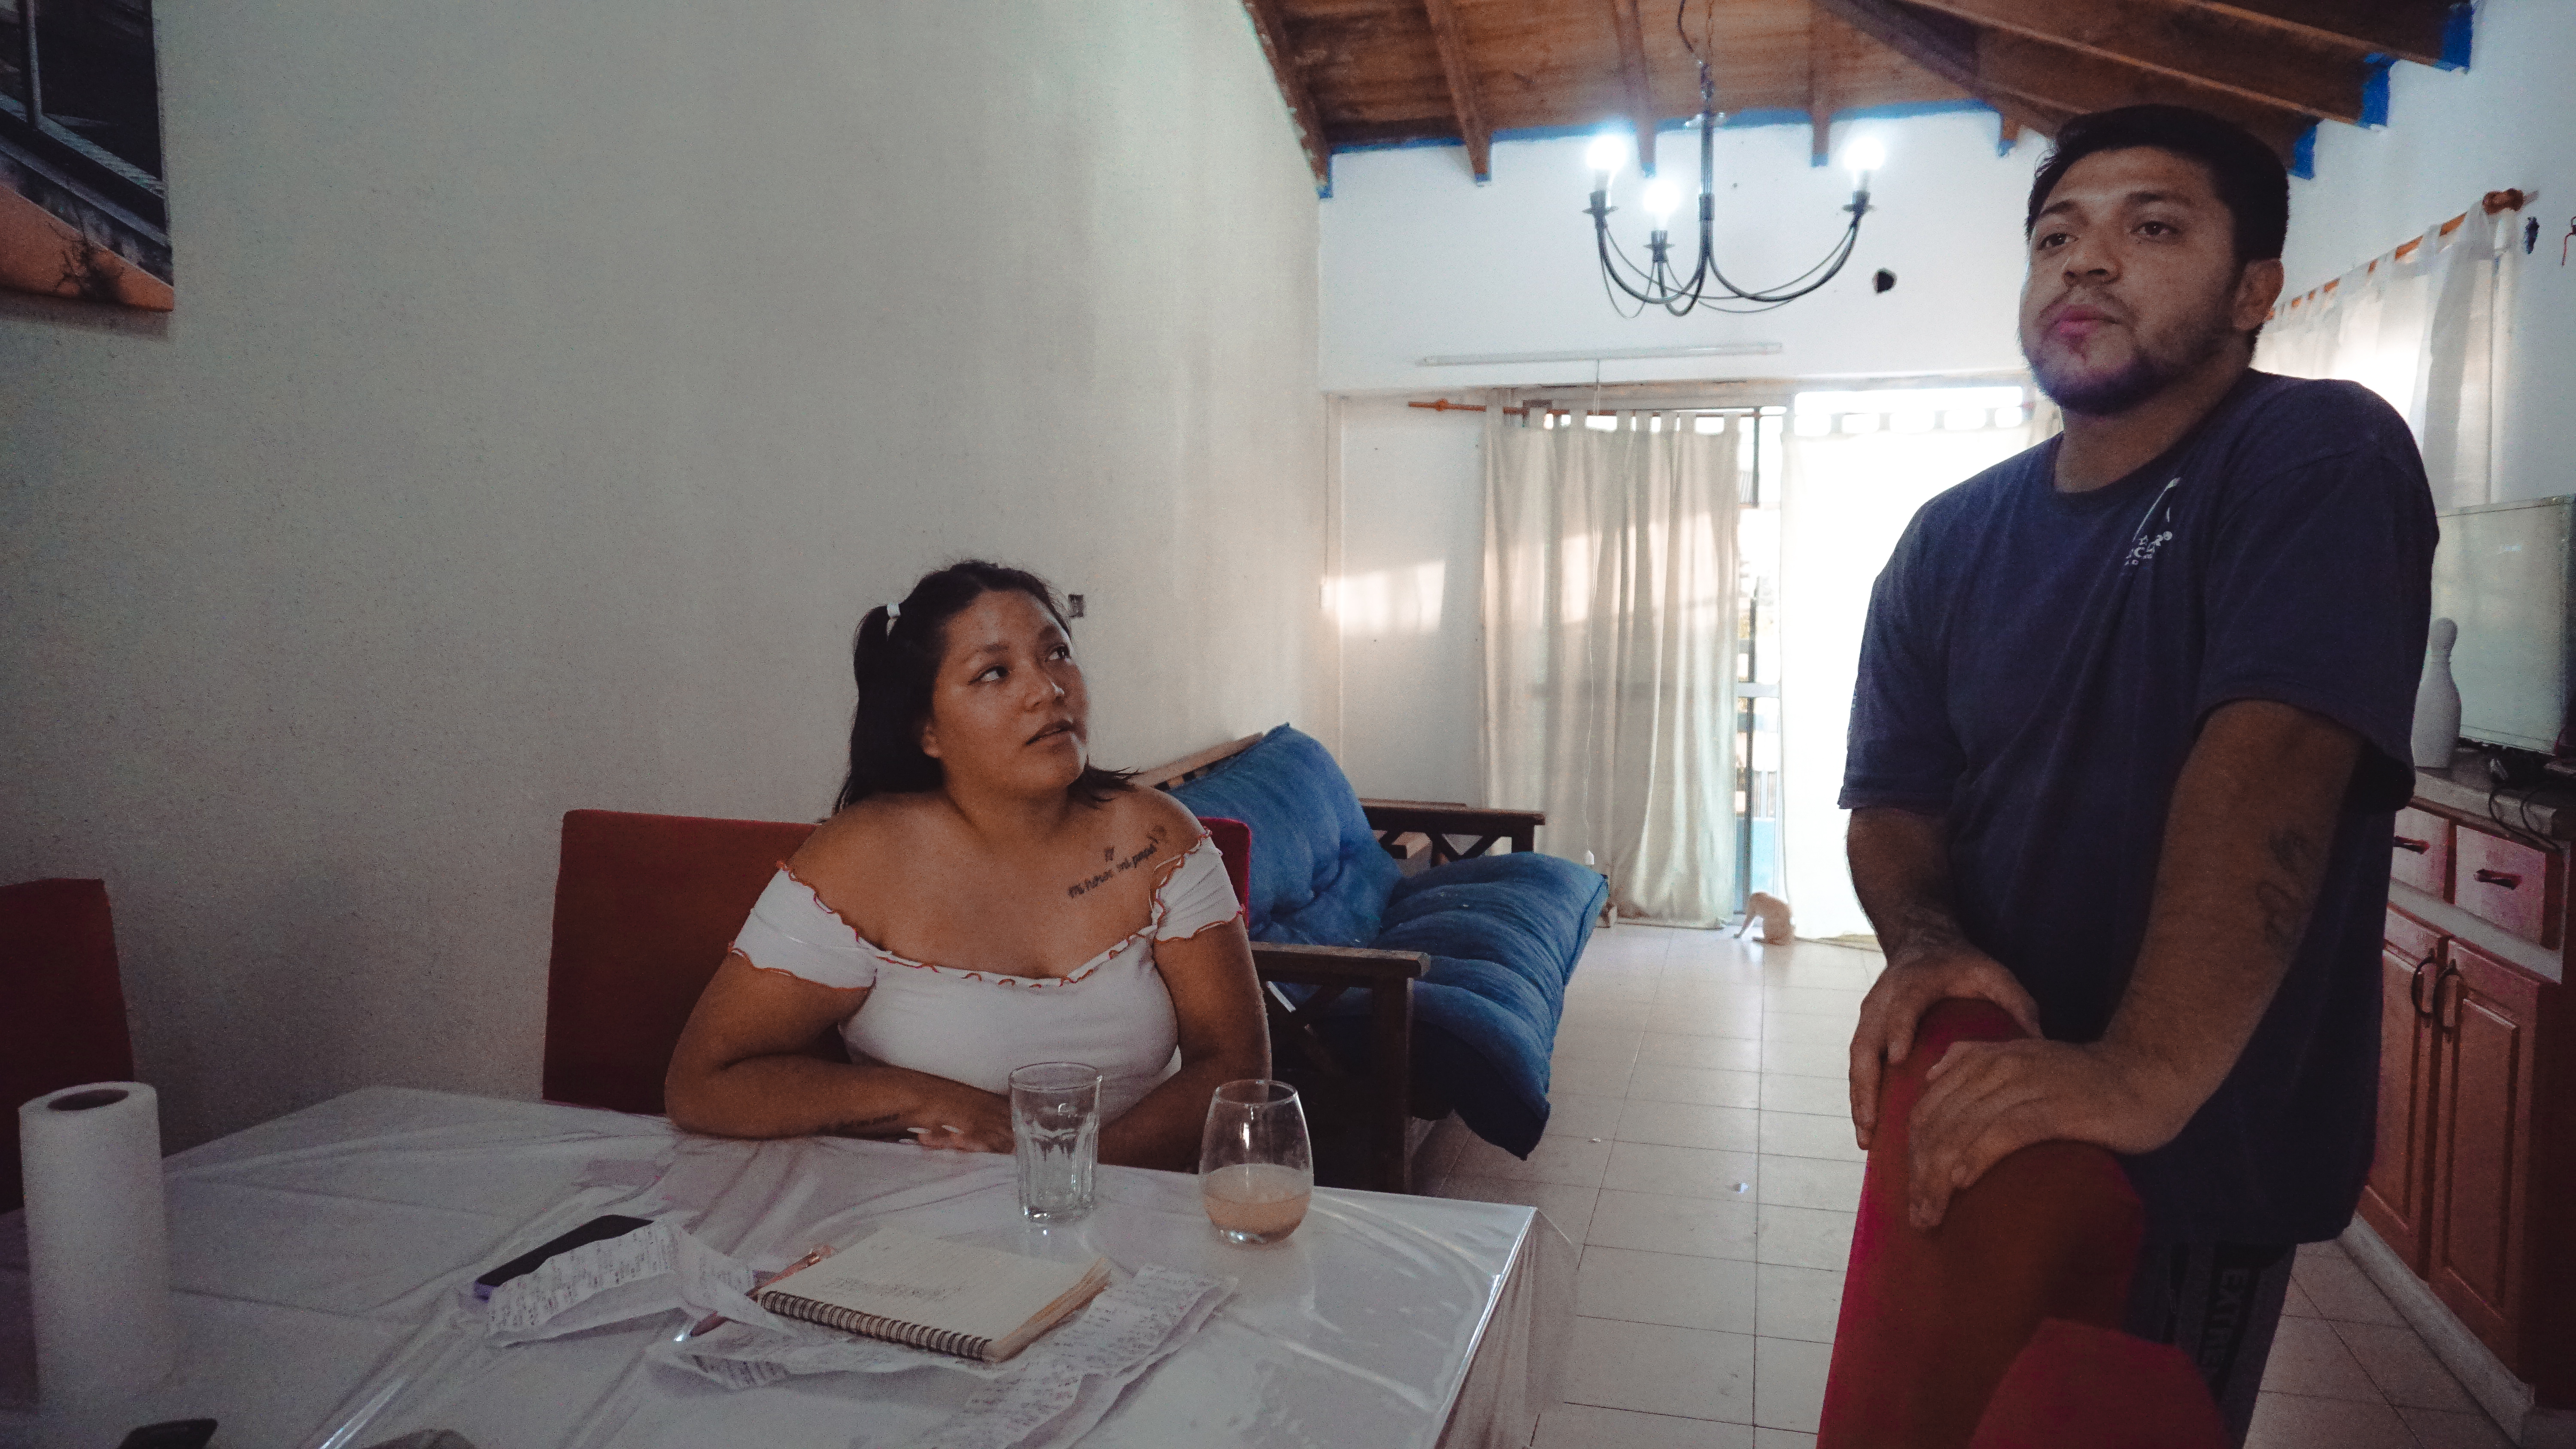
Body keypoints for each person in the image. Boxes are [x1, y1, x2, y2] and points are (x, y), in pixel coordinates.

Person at [1839, 105, 2435, 1440]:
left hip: (2188, 1153)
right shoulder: (1949, 540)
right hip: (1986, 1104)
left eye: (2150, 227)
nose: (2085, 262)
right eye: (2057, 234)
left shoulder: (2316, 455)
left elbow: (2275, 757)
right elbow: (1895, 798)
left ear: (2254, 290)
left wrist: (2138, 1070)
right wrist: (1924, 942)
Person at [664, 561, 1270, 1171]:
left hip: (1139, 1202)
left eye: (1057, 653)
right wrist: (934, 1101)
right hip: (930, 1221)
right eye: (995, 673)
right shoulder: (863, 860)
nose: (1047, 690)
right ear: (928, 731)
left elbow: (1235, 1063)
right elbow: (706, 1084)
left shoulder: (1155, 836)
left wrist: (1066, 1175)